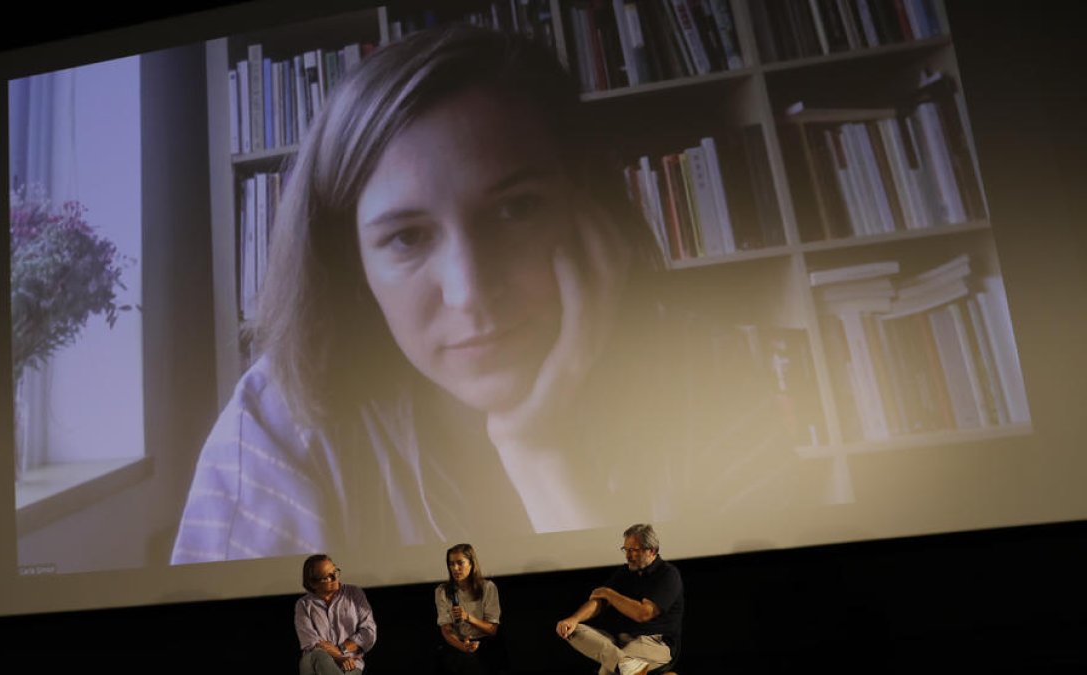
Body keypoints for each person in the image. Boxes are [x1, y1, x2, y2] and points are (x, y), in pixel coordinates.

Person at [171, 23, 797, 564]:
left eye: (516, 209)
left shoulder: (713, 380)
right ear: (351, 265)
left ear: (586, 208)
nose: (470, 292)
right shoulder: (277, 428)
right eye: (407, 238)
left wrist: (543, 459)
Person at [556, 524, 683, 675]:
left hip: (655, 642)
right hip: (622, 641)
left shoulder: (668, 574)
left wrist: (608, 593)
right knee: (572, 630)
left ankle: (623, 664)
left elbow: (643, 614)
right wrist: (574, 619)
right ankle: (624, 663)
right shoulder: (625, 572)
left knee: (608, 672)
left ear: (651, 550)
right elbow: (599, 601)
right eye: (626, 550)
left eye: (633, 550)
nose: (628, 556)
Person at [295, 554, 377, 674]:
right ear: (313, 583)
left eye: (335, 571)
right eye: (327, 577)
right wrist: (338, 657)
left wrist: (341, 650)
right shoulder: (303, 605)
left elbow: (369, 632)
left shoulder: (353, 594)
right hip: (315, 663)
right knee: (319, 656)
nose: (335, 578)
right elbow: (311, 642)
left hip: (350, 662)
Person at [435, 543, 504, 675]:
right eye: (451, 564)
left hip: (485, 645)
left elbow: (492, 629)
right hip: (457, 645)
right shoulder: (442, 591)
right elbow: (446, 629)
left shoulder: (487, 587)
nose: (455, 568)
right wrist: (464, 647)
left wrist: (467, 617)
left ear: (471, 564)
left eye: (460, 563)